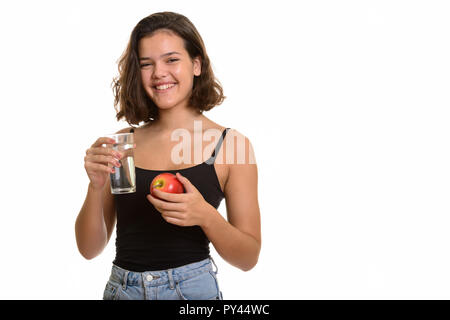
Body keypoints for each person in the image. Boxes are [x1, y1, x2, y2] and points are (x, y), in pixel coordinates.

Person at [75, 11, 261, 300]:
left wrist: (206, 216)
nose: (159, 73)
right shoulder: (122, 144)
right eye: (147, 64)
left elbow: (248, 258)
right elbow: (89, 249)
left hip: (193, 293)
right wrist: (95, 186)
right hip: (123, 291)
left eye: (171, 60)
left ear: (196, 64)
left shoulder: (230, 145)